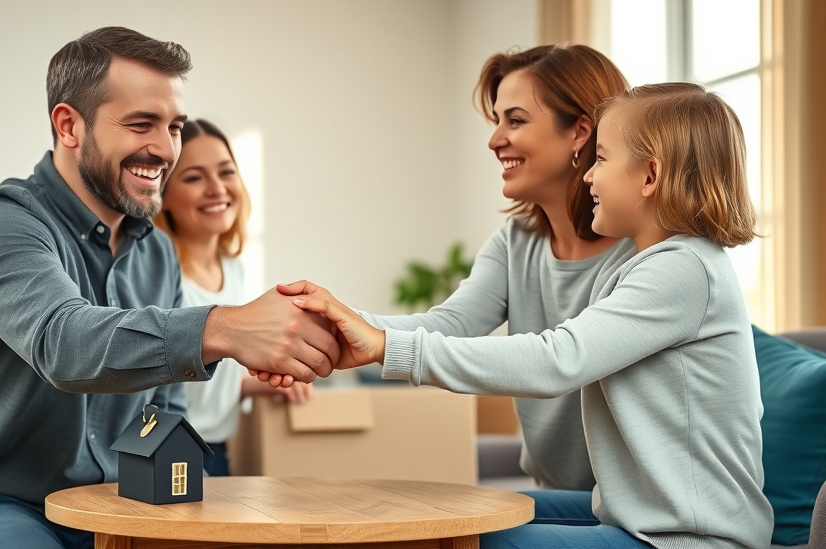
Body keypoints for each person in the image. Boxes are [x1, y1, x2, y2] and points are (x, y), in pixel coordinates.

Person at [288, 82, 773, 548]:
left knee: (454, 538)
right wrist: (350, 329)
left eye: (601, 159)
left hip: (687, 540)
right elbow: (456, 323)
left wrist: (390, 347)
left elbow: (557, 359)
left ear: (649, 176)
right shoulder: (652, 263)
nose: (588, 176)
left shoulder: (683, 268)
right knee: (457, 510)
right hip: (642, 520)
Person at [0, 27, 337, 549]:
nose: (164, 149)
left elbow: (166, 409)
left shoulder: (156, 252)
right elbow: (65, 343)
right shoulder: (0, 223)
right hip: (0, 509)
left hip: (120, 508)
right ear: (69, 125)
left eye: (174, 126)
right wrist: (225, 327)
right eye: (142, 124)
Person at [260, 44, 635, 492]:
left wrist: (377, 343)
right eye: (497, 121)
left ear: (579, 132)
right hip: (555, 493)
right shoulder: (516, 244)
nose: (495, 139)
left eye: (515, 120)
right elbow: (451, 324)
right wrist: (332, 320)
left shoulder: (645, 254)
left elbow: (557, 361)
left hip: (623, 508)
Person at [153, 118, 312, 476]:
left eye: (226, 172)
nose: (216, 188)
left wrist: (259, 387)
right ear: (163, 196)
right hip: (170, 451)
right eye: (194, 177)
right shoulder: (158, 275)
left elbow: (205, 375)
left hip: (218, 450)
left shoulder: (234, 268)